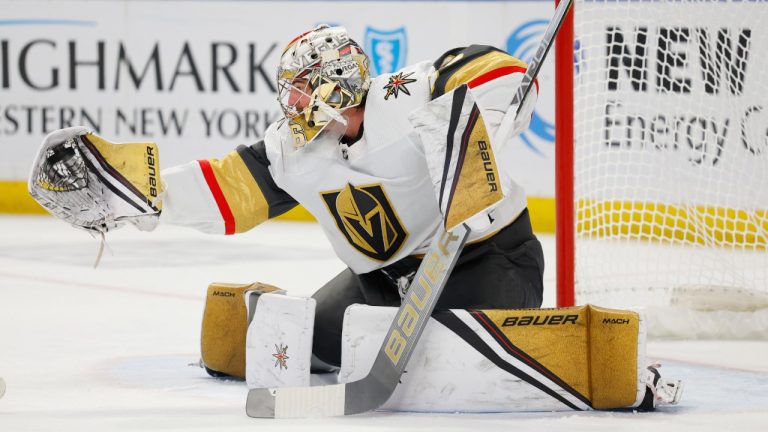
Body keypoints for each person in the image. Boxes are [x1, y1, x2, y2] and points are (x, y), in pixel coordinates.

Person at [32, 25, 545, 371]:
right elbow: (231, 187)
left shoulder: (409, 94)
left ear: (336, 79)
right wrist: (150, 196)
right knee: (283, 351)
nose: (292, 101)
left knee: (448, 363)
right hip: (382, 285)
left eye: (301, 87)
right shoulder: (295, 148)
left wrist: (473, 120)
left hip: (488, 258)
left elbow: (494, 69)